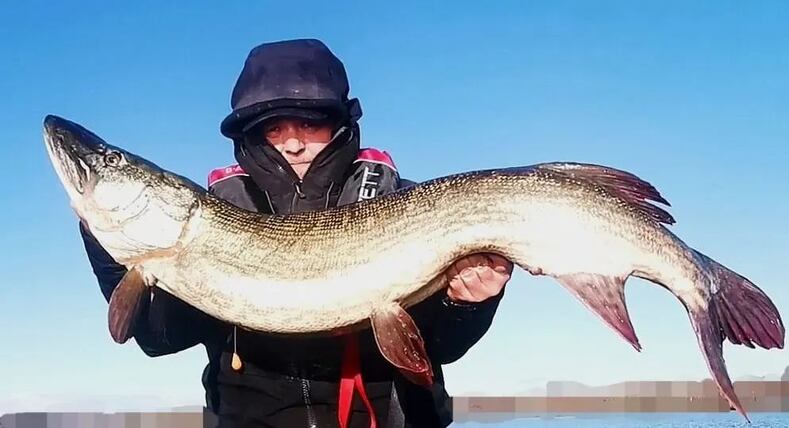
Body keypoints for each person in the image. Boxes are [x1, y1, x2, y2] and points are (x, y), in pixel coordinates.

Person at [78, 38, 513, 428]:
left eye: (309, 124)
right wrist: (101, 234)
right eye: (274, 128)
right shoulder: (214, 224)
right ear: (252, 137)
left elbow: (442, 347)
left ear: (339, 125)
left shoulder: (406, 206)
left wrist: (467, 304)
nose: (292, 143)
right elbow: (157, 338)